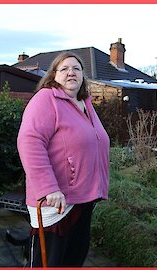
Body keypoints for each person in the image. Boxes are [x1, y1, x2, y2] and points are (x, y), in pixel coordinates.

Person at [17, 52, 110, 267]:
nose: (71, 72)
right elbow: (29, 141)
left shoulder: (85, 103)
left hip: (84, 198)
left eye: (76, 69)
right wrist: (49, 188)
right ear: (54, 75)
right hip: (57, 202)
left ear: (83, 76)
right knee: (48, 261)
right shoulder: (46, 99)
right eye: (64, 68)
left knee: (73, 259)